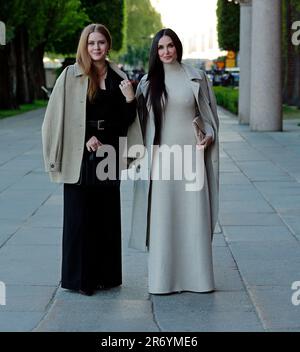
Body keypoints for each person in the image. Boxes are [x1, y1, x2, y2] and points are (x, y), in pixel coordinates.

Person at [42, 24, 136, 296]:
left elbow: (124, 123)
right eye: (91, 42)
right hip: (80, 156)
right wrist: (85, 138)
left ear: (108, 45)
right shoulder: (70, 76)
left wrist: (130, 100)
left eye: (101, 42)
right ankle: (80, 279)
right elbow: (58, 117)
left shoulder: (119, 76)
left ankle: (105, 277)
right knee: (79, 219)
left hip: (108, 157)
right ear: (85, 45)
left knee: (106, 217)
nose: (96, 47)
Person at [127, 28, 219, 294]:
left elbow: (211, 118)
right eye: (160, 47)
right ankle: (163, 281)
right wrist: (130, 100)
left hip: (192, 157)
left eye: (170, 46)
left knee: (194, 218)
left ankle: (199, 281)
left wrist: (209, 135)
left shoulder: (197, 77)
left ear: (177, 47)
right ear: (155, 52)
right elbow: (137, 123)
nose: (166, 51)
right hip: (162, 159)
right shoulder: (147, 82)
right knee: (164, 219)